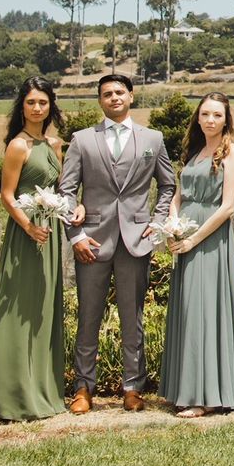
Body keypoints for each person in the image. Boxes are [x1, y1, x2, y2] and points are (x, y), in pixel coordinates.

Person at [58, 72, 176, 413]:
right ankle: (83, 388)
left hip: (136, 241)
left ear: (131, 97)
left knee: (132, 316)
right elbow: (67, 191)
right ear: (100, 100)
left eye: (119, 92)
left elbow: (168, 185)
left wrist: (156, 222)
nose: (114, 98)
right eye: (107, 94)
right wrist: (76, 235)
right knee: (88, 316)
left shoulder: (152, 139)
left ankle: (133, 387)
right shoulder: (82, 140)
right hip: (91, 242)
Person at [0, 78, 71, 422]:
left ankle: (42, 392)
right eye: (31, 102)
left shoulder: (55, 144)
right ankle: (10, 398)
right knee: (16, 309)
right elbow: (6, 194)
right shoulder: (17, 146)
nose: (37, 108)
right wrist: (29, 226)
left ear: (51, 106)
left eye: (43, 102)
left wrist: (71, 209)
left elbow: (61, 187)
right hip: (25, 232)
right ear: (22, 106)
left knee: (43, 311)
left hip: (51, 231)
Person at [159, 93, 234, 416]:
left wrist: (193, 239)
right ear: (197, 118)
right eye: (205, 114)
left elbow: (227, 207)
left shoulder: (233, 152)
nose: (210, 120)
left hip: (210, 238)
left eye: (217, 115)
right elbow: (177, 195)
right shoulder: (194, 152)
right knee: (187, 309)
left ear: (226, 119)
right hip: (186, 234)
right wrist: (173, 224)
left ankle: (206, 396)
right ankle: (185, 388)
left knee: (204, 310)